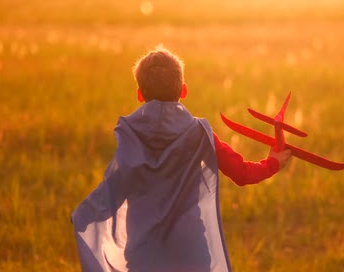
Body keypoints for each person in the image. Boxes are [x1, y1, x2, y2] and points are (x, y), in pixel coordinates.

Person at [72, 46, 291, 272]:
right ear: (184, 90)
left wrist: (83, 216)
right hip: (191, 253)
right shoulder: (200, 134)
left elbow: (113, 192)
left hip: (143, 257)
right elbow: (242, 174)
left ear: (139, 94)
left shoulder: (130, 136)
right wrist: (272, 162)